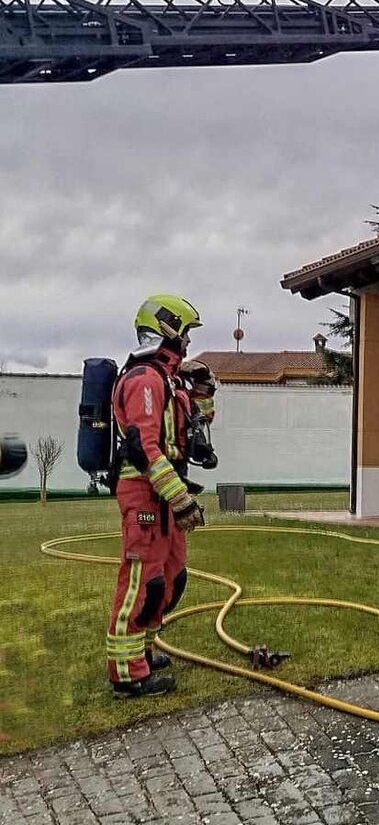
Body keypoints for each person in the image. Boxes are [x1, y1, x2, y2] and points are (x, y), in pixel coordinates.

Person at [106, 294, 208, 697]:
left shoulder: (166, 379)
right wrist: (180, 499)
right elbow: (145, 447)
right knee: (142, 582)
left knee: (171, 577)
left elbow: (190, 429)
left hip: (164, 492)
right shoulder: (144, 380)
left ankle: (144, 651)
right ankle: (126, 672)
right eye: (184, 334)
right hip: (144, 493)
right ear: (168, 329)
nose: (186, 344)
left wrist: (202, 392)